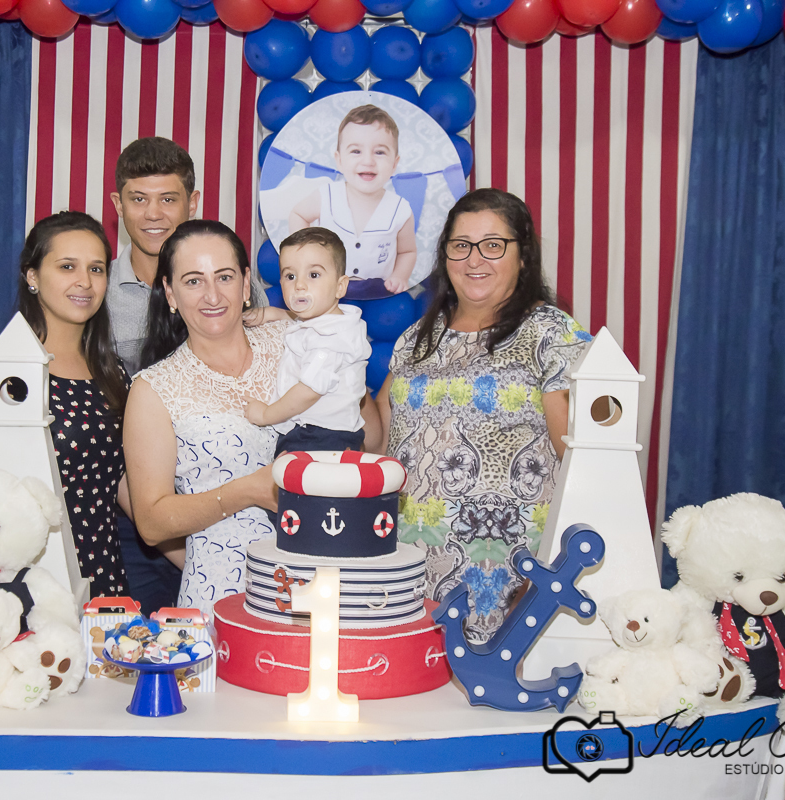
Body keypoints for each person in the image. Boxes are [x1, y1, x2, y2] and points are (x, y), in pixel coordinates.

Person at [377, 189, 593, 643]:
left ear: (523, 255)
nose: (474, 259)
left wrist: (548, 577)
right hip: (407, 584)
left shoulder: (552, 335)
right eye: (461, 245)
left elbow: (583, 467)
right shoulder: (415, 339)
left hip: (512, 589)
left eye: (493, 245)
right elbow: (379, 441)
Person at [106, 137, 267, 615]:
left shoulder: (232, 283)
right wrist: (190, 551)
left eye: (168, 199)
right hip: (141, 516)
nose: (153, 214)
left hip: (245, 521)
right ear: (118, 204)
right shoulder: (98, 297)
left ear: (192, 202)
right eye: (139, 199)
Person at [0, 211, 131, 598]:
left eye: (96, 269)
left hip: (102, 577)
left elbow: (129, 488)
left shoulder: (115, 373)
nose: (84, 281)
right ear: (32, 276)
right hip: (13, 589)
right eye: (67, 266)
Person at [123, 220, 286, 615]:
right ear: (170, 293)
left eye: (224, 277)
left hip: (323, 579)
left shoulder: (294, 343)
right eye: (194, 281)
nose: (212, 295)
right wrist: (247, 491)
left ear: (245, 285)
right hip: (223, 591)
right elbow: (152, 522)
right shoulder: (154, 389)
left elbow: (368, 439)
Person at [243, 227, 371, 457]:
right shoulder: (328, 322)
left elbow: (309, 390)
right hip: (319, 432)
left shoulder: (330, 338)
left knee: (290, 476)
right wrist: (273, 313)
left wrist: (265, 414)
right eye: (290, 276)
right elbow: (301, 320)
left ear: (340, 286)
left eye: (313, 275)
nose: (299, 285)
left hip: (321, 435)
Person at [289, 105, 417, 295]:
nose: (368, 161)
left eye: (380, 152)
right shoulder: (327, 196)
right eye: (356, 151)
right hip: (329, 292)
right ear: (339, 160)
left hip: (377, 294)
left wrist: (400, 276)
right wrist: (305, 252)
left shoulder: (400, 210)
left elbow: (407, 251)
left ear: (394, 164)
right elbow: (298, 214)